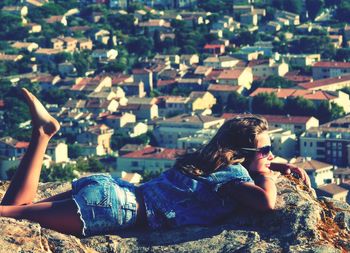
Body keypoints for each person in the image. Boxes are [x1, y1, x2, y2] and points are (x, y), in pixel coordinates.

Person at [0, 88, 311, 237]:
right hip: (113, 209)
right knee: (9, 216)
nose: (271, 154)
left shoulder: (207, 162)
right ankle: (42, 133)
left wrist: (273, 165)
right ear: (243, 155)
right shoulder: (229, 178)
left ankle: (42, 134)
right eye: (266, 149)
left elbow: (251, 173)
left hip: (112, 191)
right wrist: (267, 173)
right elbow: (267, 203)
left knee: (17, 211)